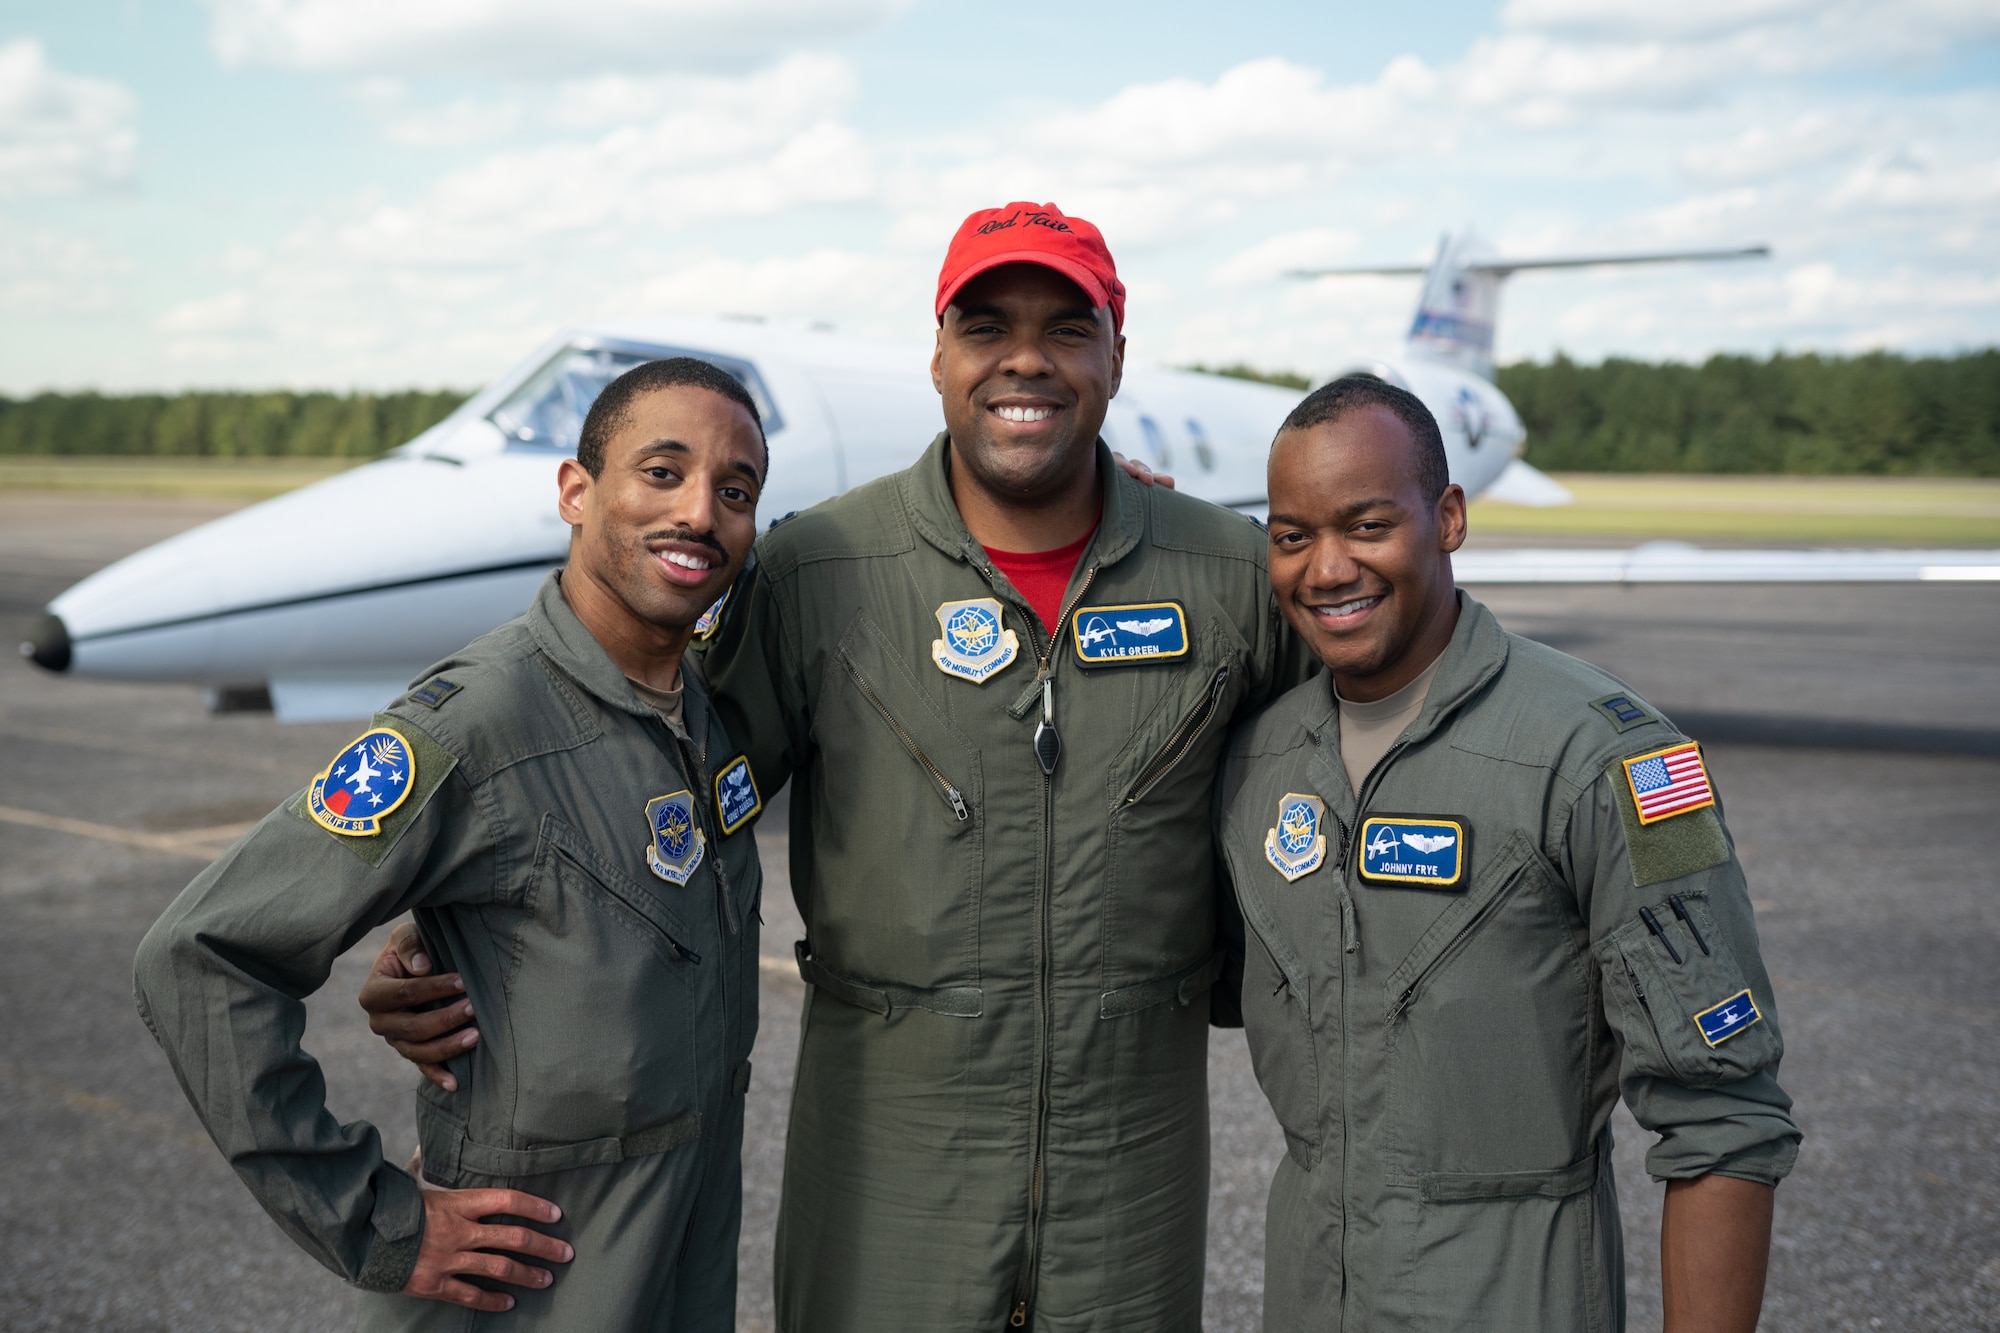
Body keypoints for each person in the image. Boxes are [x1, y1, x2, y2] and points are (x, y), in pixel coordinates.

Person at [364, 201, 1317, 1331]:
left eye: (1068, 328)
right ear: (937, 357)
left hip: (1131, 1174)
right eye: (985, 326)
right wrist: (462, 934)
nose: (1025, 357)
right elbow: (656, 791)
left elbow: (1353, 771)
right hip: (885, 1169)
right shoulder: (817, 569)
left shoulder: (1226, 573)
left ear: (1116, 354)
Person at [132, 357, 771, 1329]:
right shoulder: (470, 724)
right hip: (525, 1293)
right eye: (661, 471)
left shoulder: (700, 720)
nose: (698, 511)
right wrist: (374, 1218)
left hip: (675, 1273)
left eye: (734, 490)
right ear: (574, 490)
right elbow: (203, 955)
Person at [1214, 376, 1801, 1332]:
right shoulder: (1256, 763)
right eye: (1291, 536)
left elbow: (1724, 1119)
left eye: (1366, 525)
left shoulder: (1608, 754)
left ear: (1447, 517)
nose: (1326, 568)